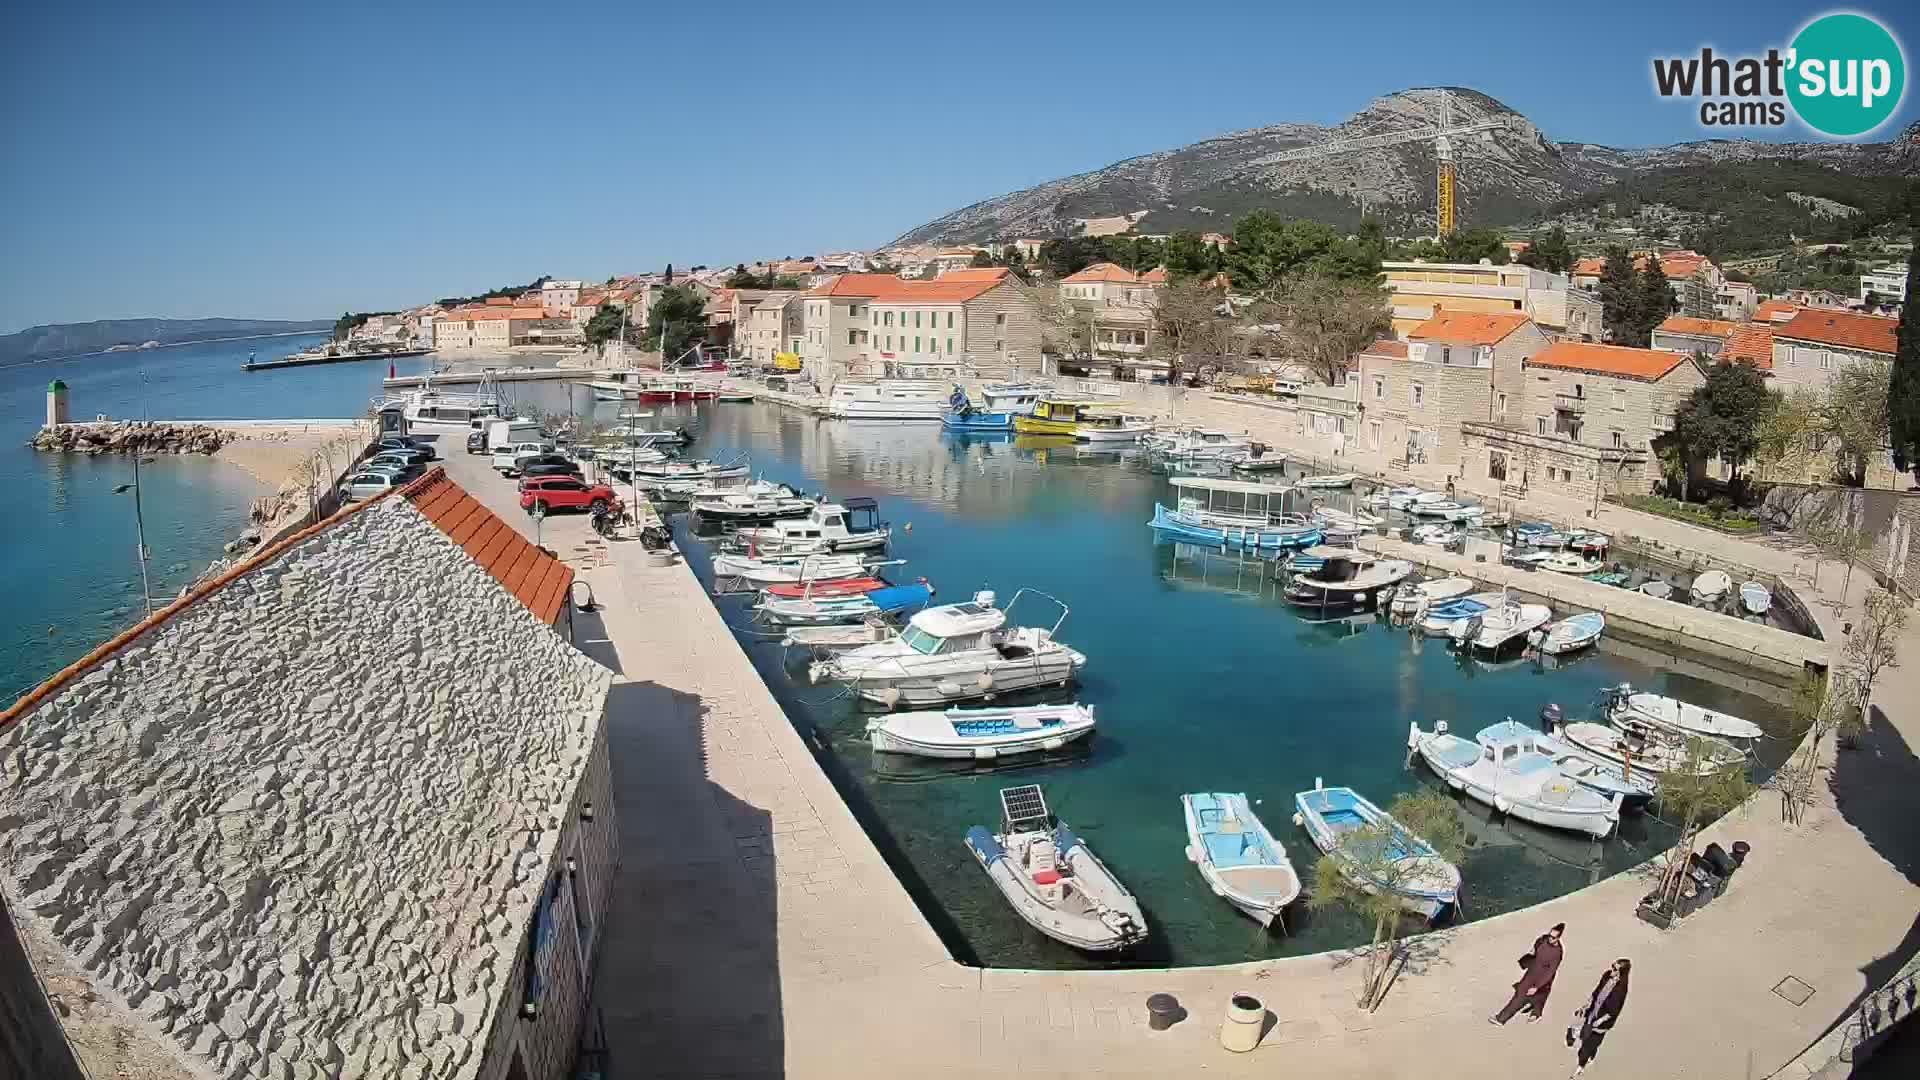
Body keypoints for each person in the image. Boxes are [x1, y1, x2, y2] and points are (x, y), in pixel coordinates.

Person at [1491, 922, 1565, 1024]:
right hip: (1532, 970)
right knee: (1523, 992)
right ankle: (1535, 1013)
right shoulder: (1543, 939)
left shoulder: (1558, 953)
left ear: (1558, 938)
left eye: (1553, 937)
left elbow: (1550, 972)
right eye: (1549, 935)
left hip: (1543, 976)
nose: (1550, 938)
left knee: (1537, 995)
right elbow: (1534, 949)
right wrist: (1527, 959)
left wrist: (1537, 986)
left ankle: (1501, 1018)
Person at [1569, 958, 1630, 1076]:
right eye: (1613, 966)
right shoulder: (1607, 976)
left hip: (1603, 1020)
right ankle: (1591, 1054)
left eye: (1615, 969)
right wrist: (1586, 1005)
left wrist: (1599, 1021)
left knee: (1590, 1043)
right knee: (1590, 1039)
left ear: (1621, 973)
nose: (1611, 970)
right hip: (1594, 1012)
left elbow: (1613, 1011)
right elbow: (1596, 992)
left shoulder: (1621, 990)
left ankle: (1581, 1066)